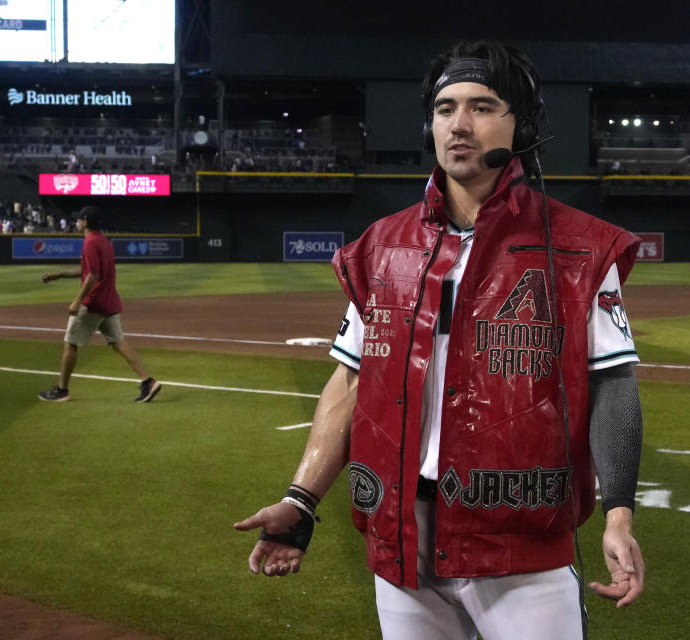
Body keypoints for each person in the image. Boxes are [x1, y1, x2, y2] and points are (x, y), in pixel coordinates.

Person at [235, 41, 645, 639]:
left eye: (483, 106)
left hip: (521, 549)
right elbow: (352, 379)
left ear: (522, 123)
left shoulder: (581, 248)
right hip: (401, 538)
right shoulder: (380, 247)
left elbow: (614, 389)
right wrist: (300, 501)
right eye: (445, 107)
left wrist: (618, 517)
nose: (459, 123)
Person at [38, 205, 161, 403]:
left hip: (93, 303)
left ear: (85, 222)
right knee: (118, 342)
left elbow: (93, 276)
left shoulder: (90, 243)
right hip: (109, 301)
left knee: (70, 344)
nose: (77, 222)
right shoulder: (104, 242)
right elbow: (88, 270)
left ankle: (62, 390)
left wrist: (78, 301)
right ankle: (148, 381)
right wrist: (59, 275)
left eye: (79, 219)